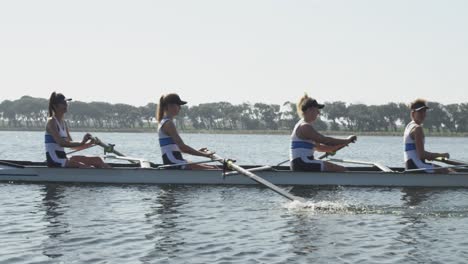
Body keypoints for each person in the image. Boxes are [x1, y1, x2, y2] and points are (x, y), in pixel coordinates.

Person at [290, 94, 357, 172]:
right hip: (302, 163)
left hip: (302, 163)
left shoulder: (304, 125)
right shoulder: (304, 127)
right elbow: (325, 140)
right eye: (316, 110)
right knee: (343, 170)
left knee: (337, 168)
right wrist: (346, 140)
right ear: (309, 110)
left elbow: (319, 147)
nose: (318, 113)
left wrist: (340, 145)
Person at [45, 92, 110, 168]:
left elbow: (72, 145)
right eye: (63, 103)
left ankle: (113, 176)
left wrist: (89, 143)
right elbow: (61, 143)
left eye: (66, 102)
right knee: (86, 167)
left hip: (63, 158)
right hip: (54, 160)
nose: (66, 104)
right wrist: (82, 142)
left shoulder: (64, 123)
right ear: (55, 106)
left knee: (97, 160)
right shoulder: (51, 122)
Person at [156, 93, 216, 170]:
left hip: (174, 160)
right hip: (173, 162)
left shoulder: (164, 122)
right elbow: (183, 147)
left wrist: (197, 151)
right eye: (178, 105)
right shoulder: (168, 123)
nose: (180, 108)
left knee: (214, 167)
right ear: (169, 106)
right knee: (213, 169)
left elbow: (177, 148)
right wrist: (204, 154)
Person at [403, 99, 450, 173]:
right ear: (413, 113)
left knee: (446, 170)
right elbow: (422, 155)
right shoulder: (417, 129)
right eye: (419, 111)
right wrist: (442, 155)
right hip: (417, 167)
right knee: (449, 172)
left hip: (411, 166)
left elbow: (418, 153)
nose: (422, 114)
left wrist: (431, 156)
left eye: (424, 111)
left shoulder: (408, 126)